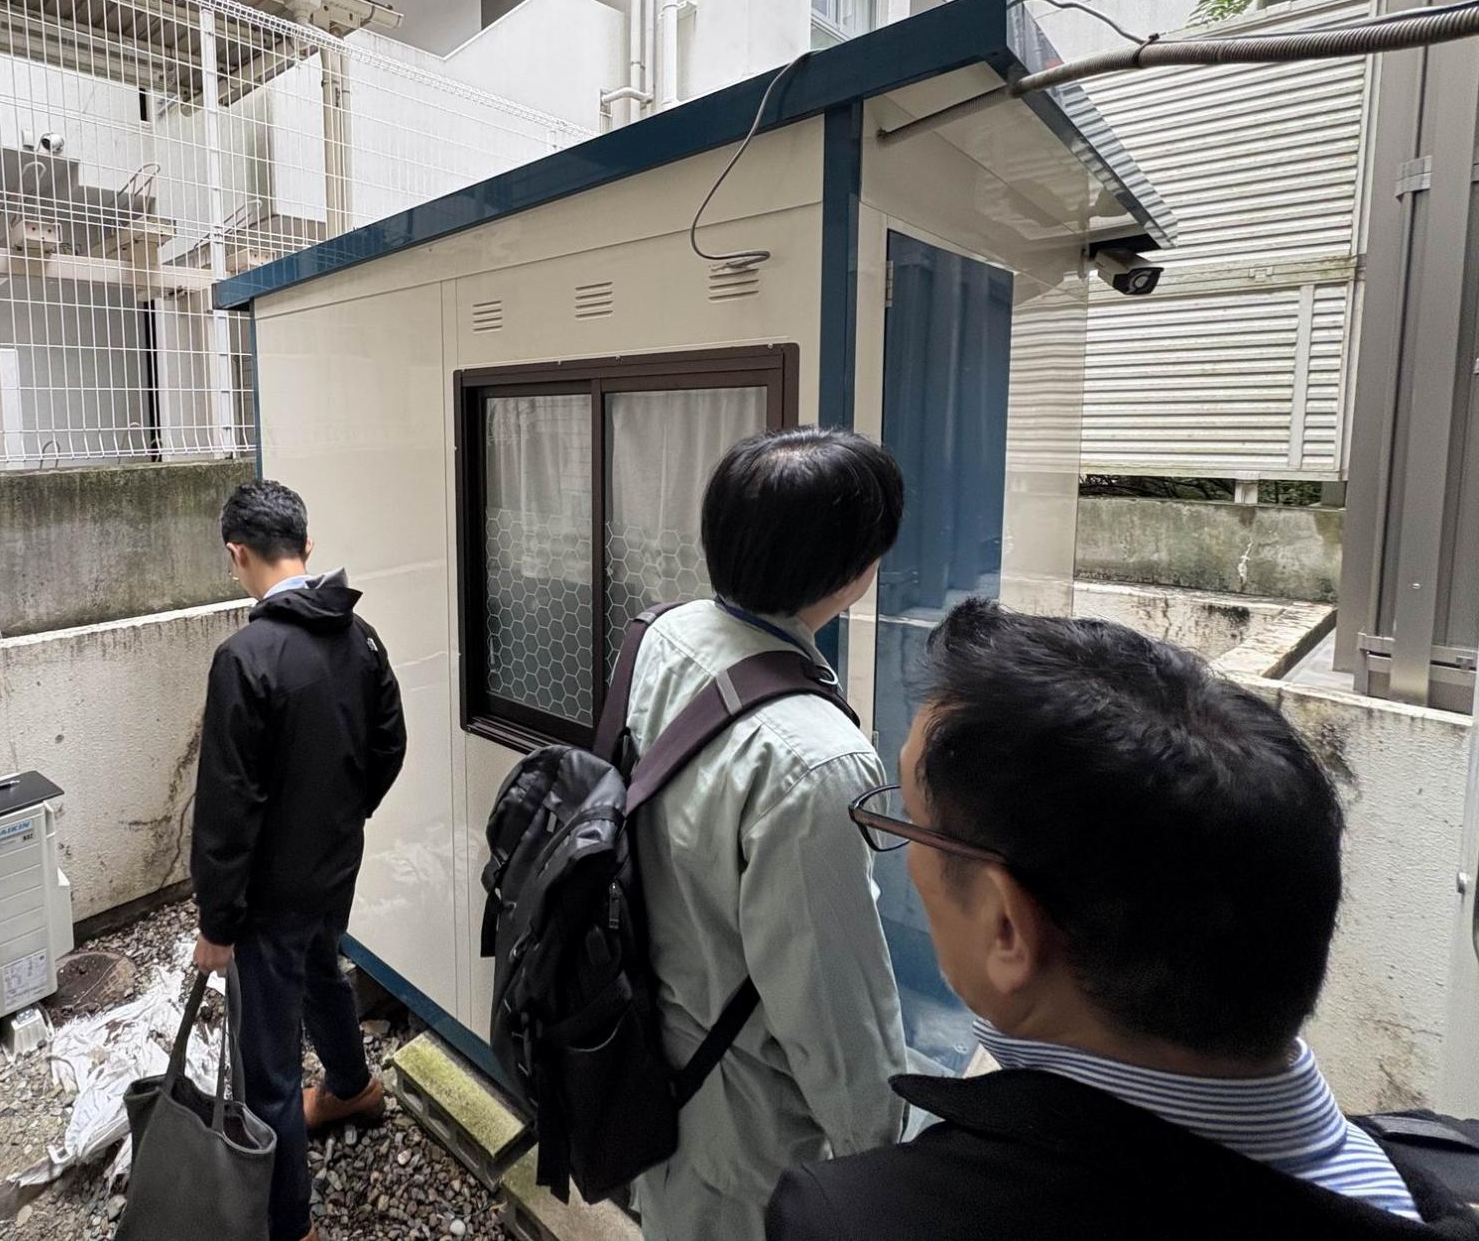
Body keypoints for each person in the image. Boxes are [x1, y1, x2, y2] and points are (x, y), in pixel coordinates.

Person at [767, 598, 1479, 1239]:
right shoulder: (1448, 1165)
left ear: (1005, 927)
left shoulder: (854, 1219)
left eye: (914, 824)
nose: (911, 857)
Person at [622, 426, 909, 1241]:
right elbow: (837, 1011)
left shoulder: (661, 634)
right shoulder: (817, 762)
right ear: (851, 569)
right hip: (744, 1127)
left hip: (646, 1055)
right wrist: (881, 1166)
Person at [190, 480, 409, 1241]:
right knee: (322, 968)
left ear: (237, 555)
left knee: (269, 1065)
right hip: (334, 869)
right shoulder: (360, 636)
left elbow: (227, 807)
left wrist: (217, 922)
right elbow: (389, 746)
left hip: (266, 898)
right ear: (307, 548)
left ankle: (290, 1224)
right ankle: (352, 1087)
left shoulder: (244, 658)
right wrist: (341, 821)